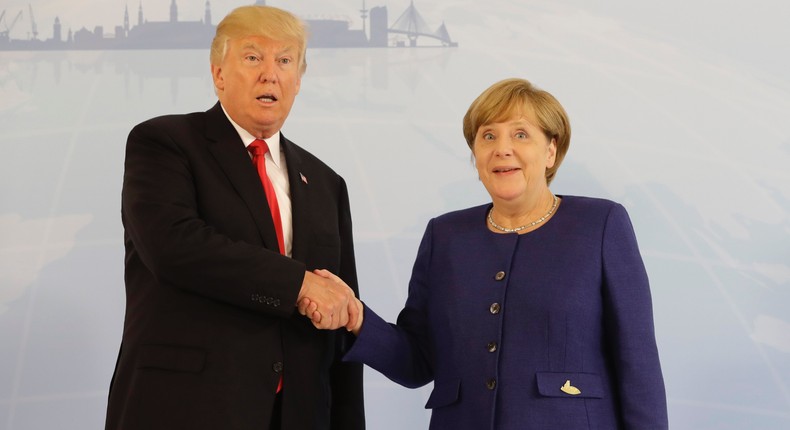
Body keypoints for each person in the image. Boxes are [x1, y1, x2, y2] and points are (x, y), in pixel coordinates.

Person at [302, 78, 668, 429]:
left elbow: (638, 364)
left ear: (551, 150)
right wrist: (357, 318)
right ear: (475, 154)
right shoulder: (444, 236)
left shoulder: (600, 224)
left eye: (520, 134)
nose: (502, 148)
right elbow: (417, 361)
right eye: (487, 136)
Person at [105, 5, 365, 430]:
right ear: (219, 74)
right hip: (186, 408)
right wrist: (297, 284)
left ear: (298, 81)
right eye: (252, 57)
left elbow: (339, 309)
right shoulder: (164, 143)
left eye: (284, 61)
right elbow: (174, 246)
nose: (270, 74)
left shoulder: (326, 183)